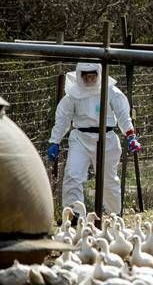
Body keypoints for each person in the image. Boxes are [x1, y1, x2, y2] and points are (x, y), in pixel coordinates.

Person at [47, 62, 141, 215]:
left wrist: (131, 136)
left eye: (93, 76)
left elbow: (124, 115)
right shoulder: (73, 95)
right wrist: (54, 140)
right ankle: (74, 215)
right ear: (80, 76)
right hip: (80, 139)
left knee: (108, 180)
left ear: (99, 75)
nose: (90, 80)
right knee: (73, 175)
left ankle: (113, 217)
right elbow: (63, 119)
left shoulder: (111, 92)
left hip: (107, 139)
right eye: (86, 77)